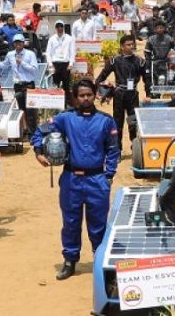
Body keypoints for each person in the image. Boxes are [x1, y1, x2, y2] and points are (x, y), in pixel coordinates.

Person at [31, 80, 120, 280]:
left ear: (95, 95)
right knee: (70, 222)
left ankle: (100, 263)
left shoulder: (106, 121)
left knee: (98, 224)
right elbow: (39, 131)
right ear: (75, 97)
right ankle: (70, 261)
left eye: (89, 94)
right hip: (71, 179)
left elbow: (114, 150)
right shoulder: (64, 118)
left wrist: (109, 176)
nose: (86, 98)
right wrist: (39, 152)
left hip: (97, 180)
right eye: (81, 95)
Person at [96, 35, 150, 147]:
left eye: (132, 44)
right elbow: (102, 76)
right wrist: (100, 89)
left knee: (133, 122)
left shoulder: (140, 61)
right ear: (122, 46)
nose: (131, 47)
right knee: (117, 123)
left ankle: (134, 145)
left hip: (133, 95)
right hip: (119, 94)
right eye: (128, 45)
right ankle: (117, 149)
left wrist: (148, 94)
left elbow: (147, 79)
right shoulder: (115, 61)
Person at [0, 34, 38, 135]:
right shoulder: (10, 54)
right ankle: (25, 131)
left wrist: (22, 63)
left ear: (23, 43)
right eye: (16, 42)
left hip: (29, 85)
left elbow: (35, 70)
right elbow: (3, 65)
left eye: (20, 42)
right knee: (21, 109)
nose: (18, 44)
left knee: (31, 110)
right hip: (18, 85)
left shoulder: (30, 54)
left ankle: (33, 133)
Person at [46, 21, 76, 106]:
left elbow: (72, 52)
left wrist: (71, 64)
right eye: (58, 26)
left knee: (66, 85)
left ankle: (67, 104)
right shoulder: (52, 39)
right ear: (55, 28)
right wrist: (51, 65)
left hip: (65, 64)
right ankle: (56, 104)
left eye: (61, 26)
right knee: (56, 85)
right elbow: (48, 53)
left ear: (63, 27)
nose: (60, 28)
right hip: (55, 64)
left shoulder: (69, 38)